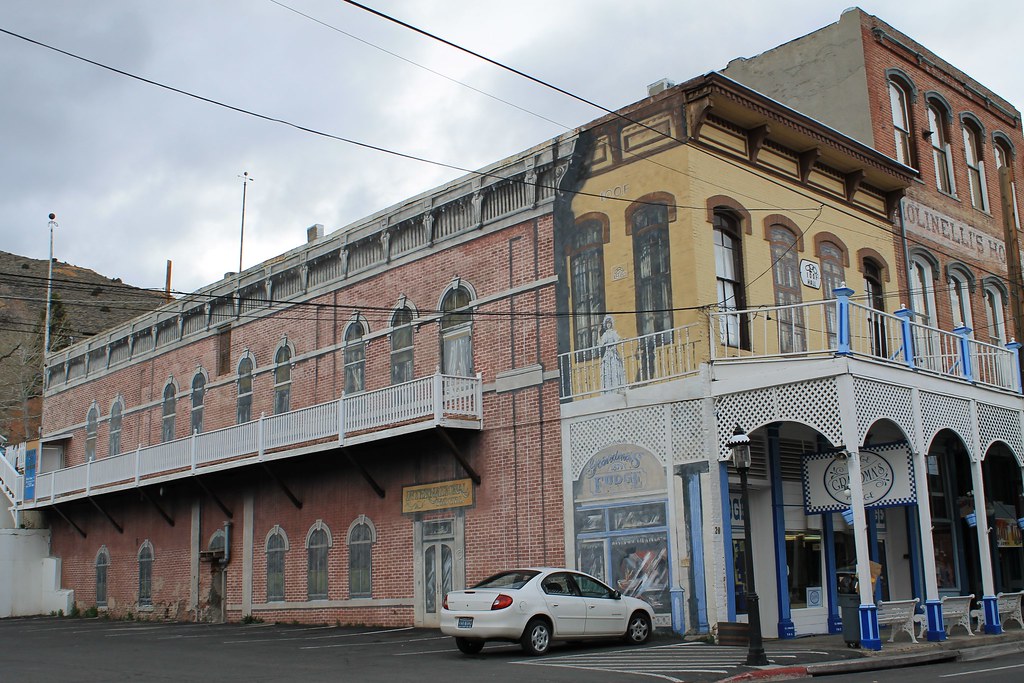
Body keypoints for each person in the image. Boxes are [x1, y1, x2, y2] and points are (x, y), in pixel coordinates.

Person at [600, 315, 626, 390]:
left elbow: (618, 339)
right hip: (608, 354)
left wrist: (623, 339)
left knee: (615, 369)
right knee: (609, 371)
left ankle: (617, 387)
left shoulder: (614, 333)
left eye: (610, 323)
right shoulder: (605, 335)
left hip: (614, 353)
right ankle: (610, 388)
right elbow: (601, 343)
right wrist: (599, 333)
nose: (608, 325)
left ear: (611, 324)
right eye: (607, 324)